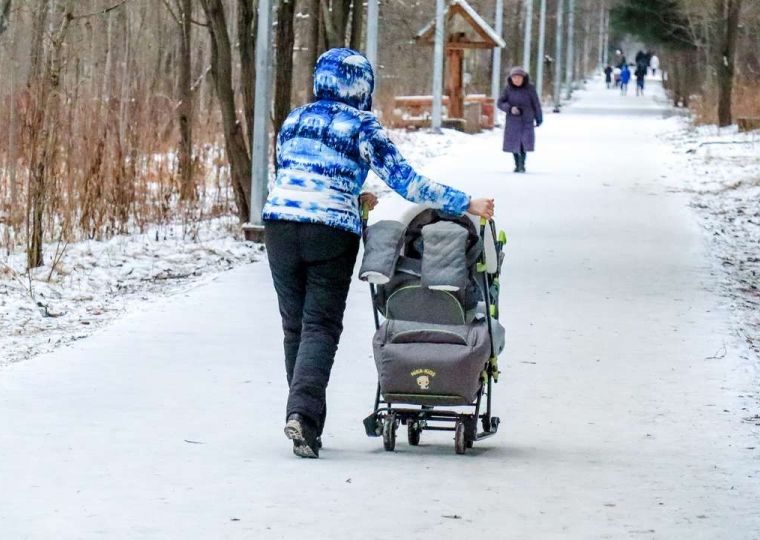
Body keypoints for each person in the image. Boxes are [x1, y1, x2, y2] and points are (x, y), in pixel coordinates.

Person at [262, 48, 495, 459]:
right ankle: (301, 414)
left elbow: (295, 173)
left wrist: (353, 193)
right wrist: (466, 203)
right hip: (329, 232)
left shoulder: (295, 119)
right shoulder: (362, 125)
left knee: (294, 327)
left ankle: (305, 424)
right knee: (320, 326)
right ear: (363, 87)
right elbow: (409, 183)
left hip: (280, 225)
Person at [497, 66, 543, 173]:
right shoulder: (508, 89)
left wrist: (539, 118)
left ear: (523, 78)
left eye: (519, 77)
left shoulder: (530, 89)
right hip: (513, 121)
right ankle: (517, 164)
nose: (516, 80)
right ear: (511, 78)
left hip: (527, 120)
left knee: (524, 143)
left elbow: (536, 104)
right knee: (514, 143)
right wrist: (510, 108)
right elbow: (500, 103)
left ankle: (522, 164)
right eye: (514, 77)